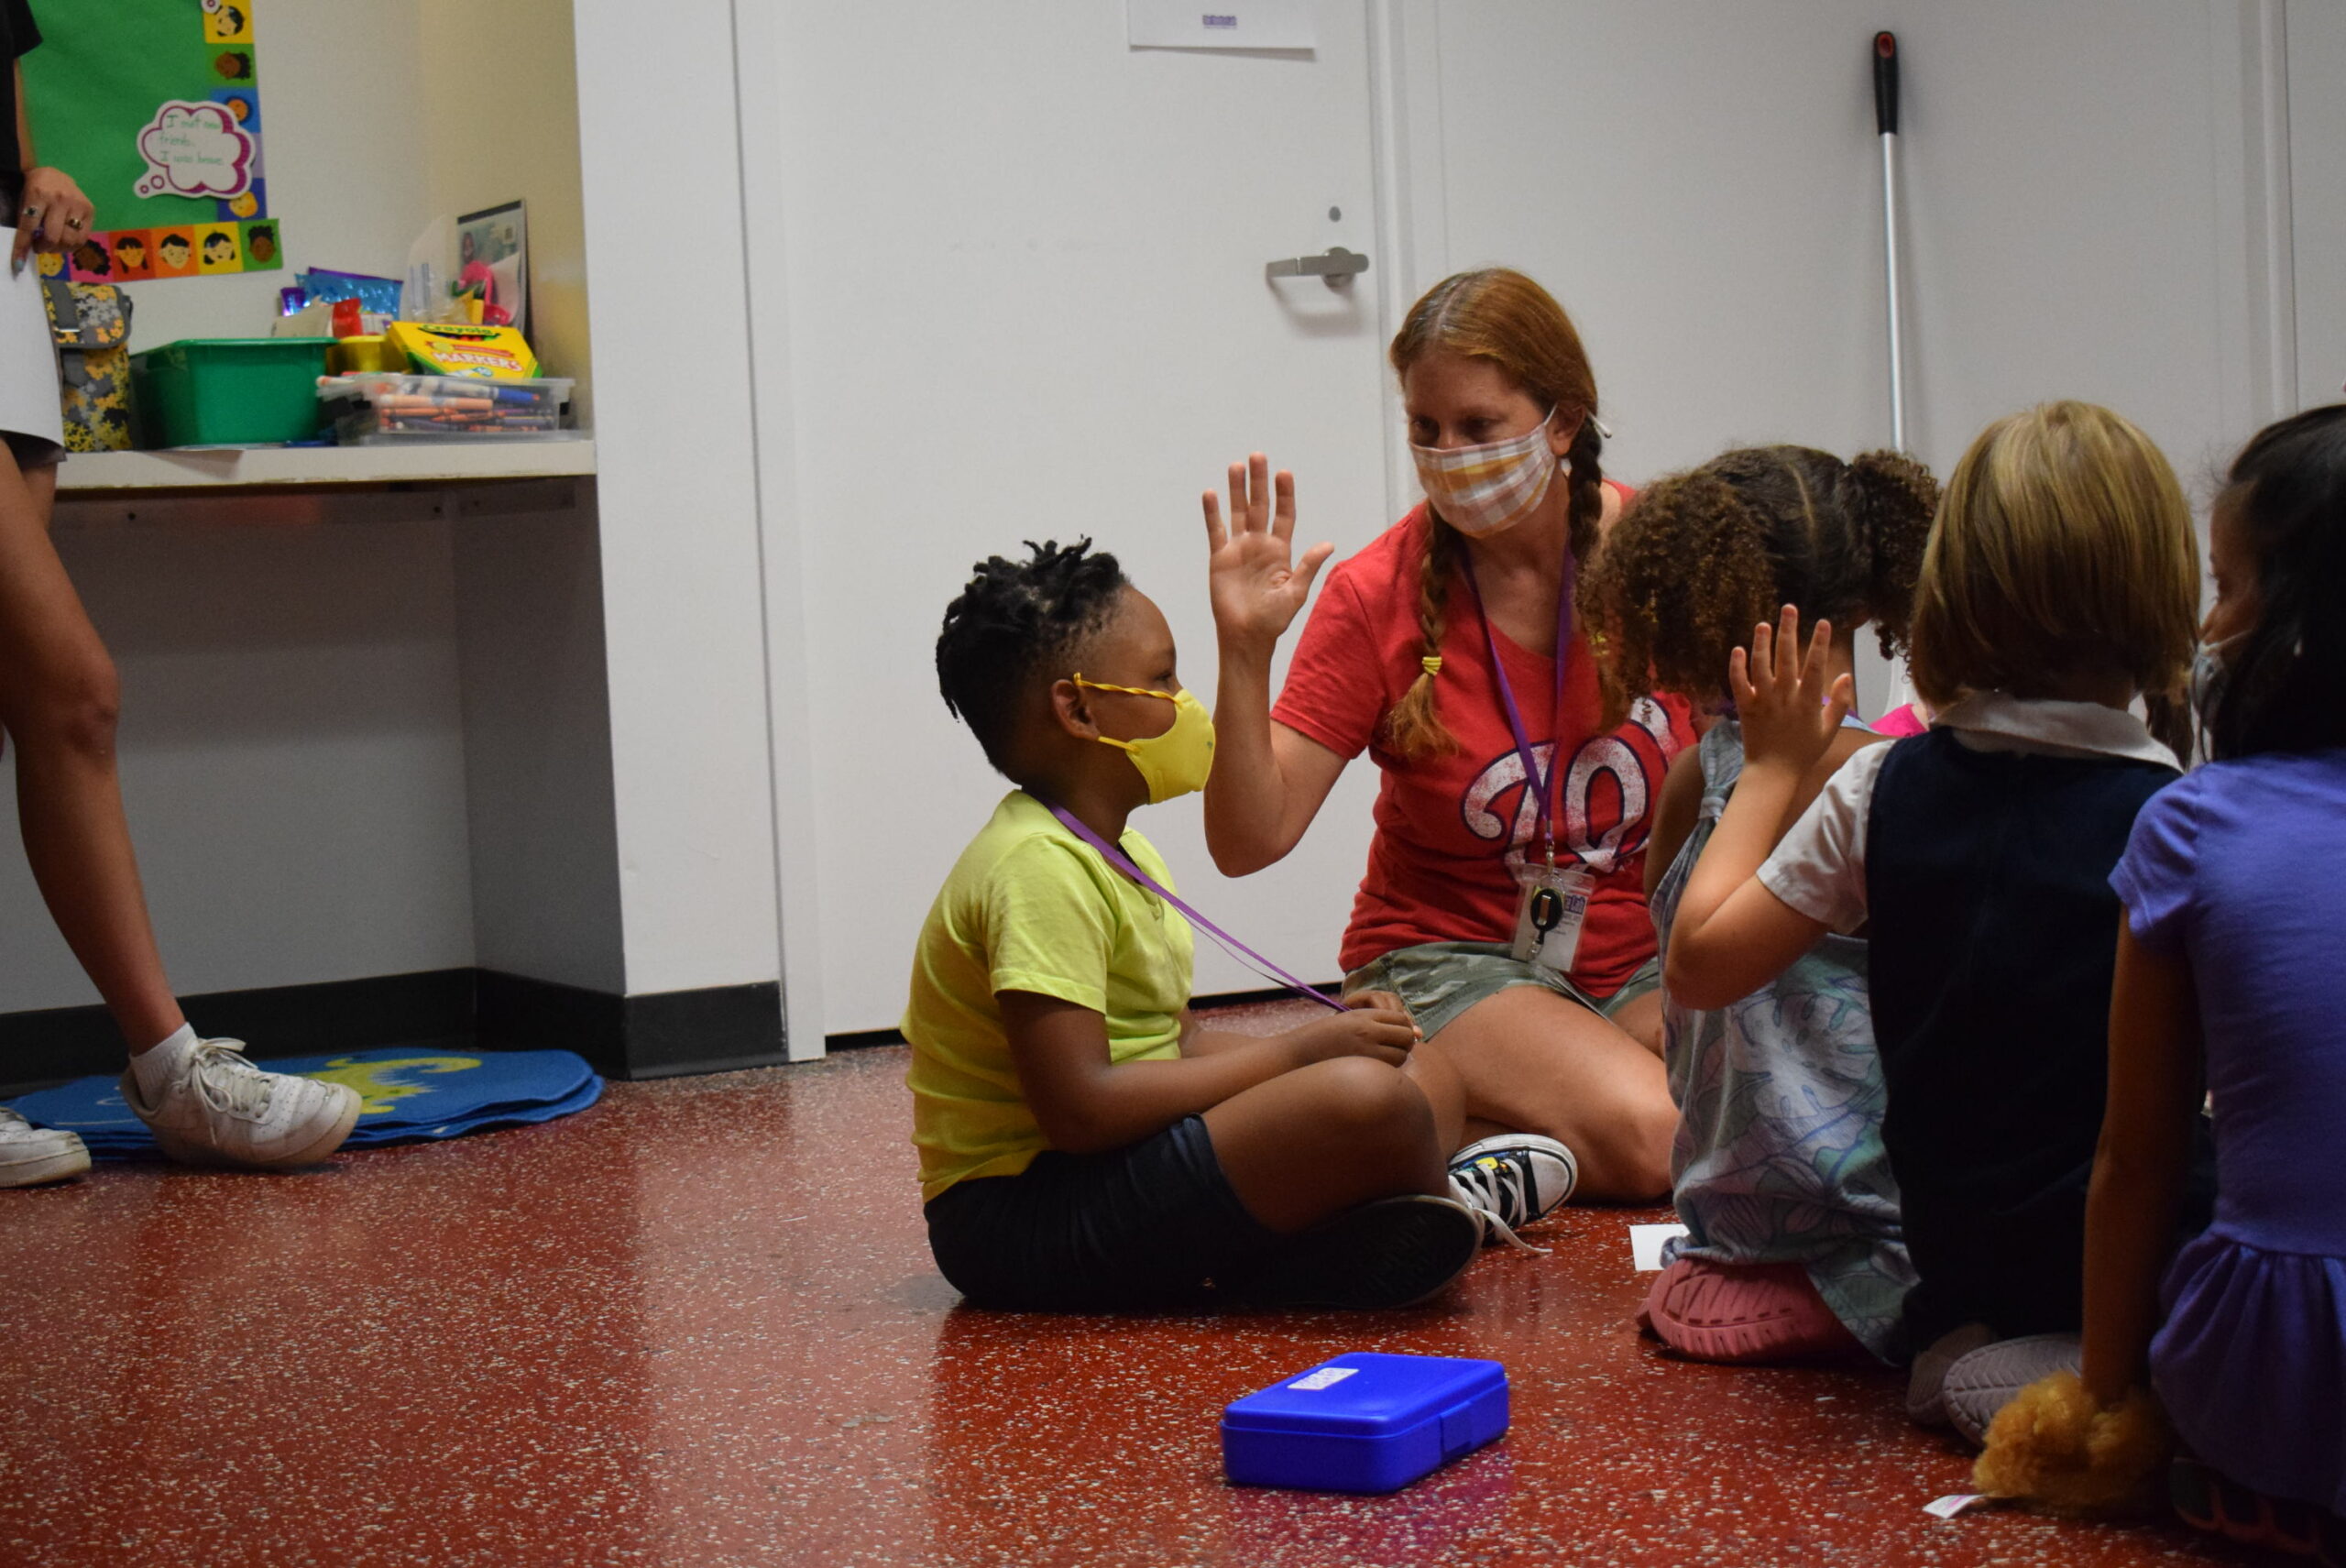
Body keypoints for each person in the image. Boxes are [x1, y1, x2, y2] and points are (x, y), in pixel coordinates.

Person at [1663, 401, 2213, 1433]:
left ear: (1950, 589)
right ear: (2159, 592)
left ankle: (1984, 1355)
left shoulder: (1879, 786)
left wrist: (1771, 769)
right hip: (2123, 1262)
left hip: (1956, 1270)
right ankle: (2090, 1376)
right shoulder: (2179, 817)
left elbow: (1695, 963)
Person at [906, 539, 1506, 1312]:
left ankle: (1348, 1229)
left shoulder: (1117, 850)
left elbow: (1174, 1039)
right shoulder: (1036, 866)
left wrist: (1327, 1046)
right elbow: (1081, 1108)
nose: (1182, 699)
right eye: (1162, 678)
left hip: (1102, 1168)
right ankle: (1399, 1215)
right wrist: (1300, 1054)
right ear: (1079, 708)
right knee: (1370, 1101)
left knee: (1420, 1072)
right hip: (1021, 1220)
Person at [1200, 268, 1694, 1207]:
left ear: (1562, 421)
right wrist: (1241, 652)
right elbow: (1246, 840)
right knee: (1664, 1139)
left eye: (1477, 426)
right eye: (1425, 429)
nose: (1448, 454)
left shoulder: (1664, 558)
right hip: (1445, 953)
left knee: (1769, 1101)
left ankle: (1435, 1117)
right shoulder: (1373, 594)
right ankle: (1435, 1099)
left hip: (1635, 955)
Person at [0, 8, 359, 1190]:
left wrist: (31, 179)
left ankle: (169, 1075)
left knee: (27, 698)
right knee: (72, 691)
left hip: (3, 304)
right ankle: (170, 1069)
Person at [1974, 406, 2346, 1545]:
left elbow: (2133, 1156)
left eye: (2226, 586)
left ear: (2293, 623)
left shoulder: (2192, 826)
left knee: (1980, 1377)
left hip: (2280, 1371)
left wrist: (2097, 1398)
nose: (2204, 620)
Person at [1579, 444, 1936, 1364]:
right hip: (1883, 1241)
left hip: (1723, 1236)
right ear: (1863, 605)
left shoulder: (1692, 778)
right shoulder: (1889, 784)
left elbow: (1677, 980)